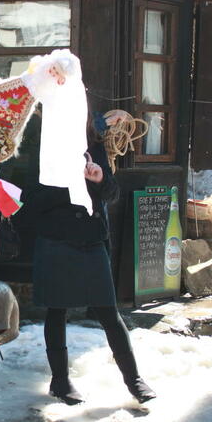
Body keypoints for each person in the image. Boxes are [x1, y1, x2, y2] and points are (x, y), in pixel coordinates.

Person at [23, 110, 156, 405]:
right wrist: (68, 184)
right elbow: (30, 199)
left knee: (109, 311)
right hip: (56, 239)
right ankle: (60, 382)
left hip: (90, 239)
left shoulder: (93, 144)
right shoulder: (41, 147)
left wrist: (97, 180)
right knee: (57, 310)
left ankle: (134, 379)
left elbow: (111, 192)